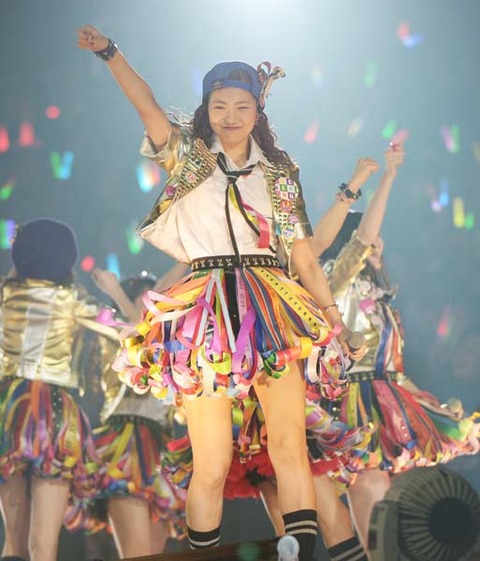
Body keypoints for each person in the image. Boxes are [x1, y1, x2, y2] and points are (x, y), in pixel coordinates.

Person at [77, 25, 359, 561]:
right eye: (220, 105)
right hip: (204, 310)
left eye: (242, 106)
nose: (231, 115)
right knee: (211, 461)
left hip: (270, 307)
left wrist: (331, 316)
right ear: (207, 110)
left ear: (257, 113)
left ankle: (299, 553)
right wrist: (111, 53)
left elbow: (303, 257)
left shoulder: (279, 173)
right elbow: (146, 106)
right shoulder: (188, 156)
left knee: (289, 445)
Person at [317, 144, 479, 550]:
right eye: (368, 239)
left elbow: (395, 365)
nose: (376, 244)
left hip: (391, 401)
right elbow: (362, 240)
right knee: (373, 496)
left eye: (378, 240)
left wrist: (427, 406)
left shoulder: (380, 294)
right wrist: (387, 178)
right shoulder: (333, 284)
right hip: (356, 404)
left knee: (401, 510)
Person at [0, 218, 118, 561]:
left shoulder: (5, 293)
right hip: (54, 418)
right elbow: (127, 327)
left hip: (9, 413)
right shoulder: (73, 299)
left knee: (13, 541)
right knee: (44, 547)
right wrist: (115, 292)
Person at [66, 270, 187, 559]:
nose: (152, 306)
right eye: (144, 300)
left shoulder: (172, 343)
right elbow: (137, 334)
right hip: (125, 449)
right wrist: (117, 294)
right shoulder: (114, 335)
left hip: (161, 451)